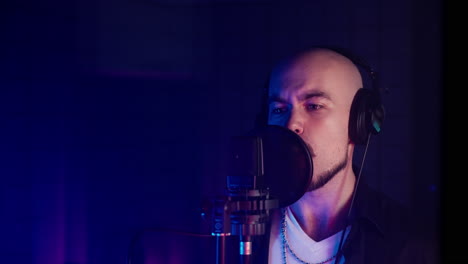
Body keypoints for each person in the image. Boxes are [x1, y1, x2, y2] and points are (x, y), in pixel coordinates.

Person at [245, 47, 438, 264]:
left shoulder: (414, 246)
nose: (291, 125)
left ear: (360, 124)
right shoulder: (234, 228)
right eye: (279, 109)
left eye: (314, 106)